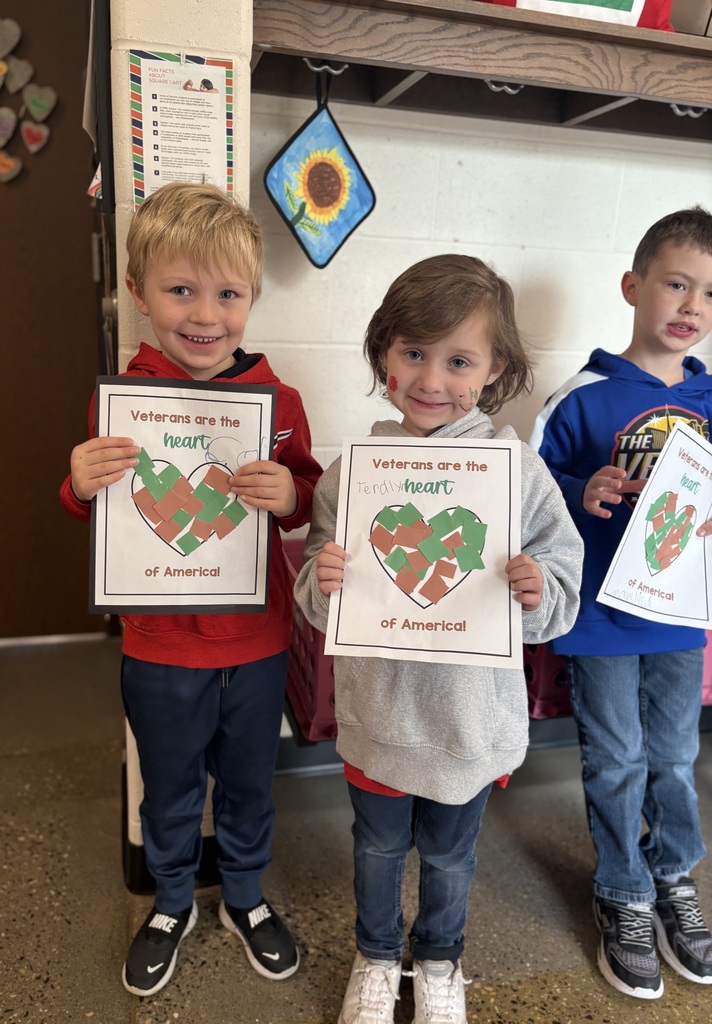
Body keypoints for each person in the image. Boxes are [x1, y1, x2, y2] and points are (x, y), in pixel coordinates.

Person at [293, 254, 583, 1024]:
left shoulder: (517, 471)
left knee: (452, 858)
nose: (431, 378)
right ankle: (378, 956)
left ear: (494, 371)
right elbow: (317, 603)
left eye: (459, 360)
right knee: (378, 851)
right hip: (380, 721)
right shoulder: (352, 474)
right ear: (384, 354)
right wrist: (318, 581)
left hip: (468, 725)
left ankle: (441, 961)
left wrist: (536, 589)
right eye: (412, 352)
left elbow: (561, 585)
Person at [59, 181, 322, 997]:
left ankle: (244, 894)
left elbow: (307, 497)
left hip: (259, 645)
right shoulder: (125, 407)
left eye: (228, 294)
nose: (205, 314)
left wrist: (290, 497)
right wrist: (76, 481)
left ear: (250, 298)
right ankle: (172, 900)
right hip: (162, 645)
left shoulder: (279, 404)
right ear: (137, 294)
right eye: (180, 290)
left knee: (248, 783)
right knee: (169, 786)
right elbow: (97, 512)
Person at [530, 206, 712, 1000]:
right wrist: (581, 489)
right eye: (676, 284)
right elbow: (530, 493)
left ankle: (674, 877)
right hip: (598, 620)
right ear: (634, 285)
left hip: (679, 617)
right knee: (616, 759)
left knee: (674, 757)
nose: (692, 307)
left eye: (710, 294)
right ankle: (624, 891)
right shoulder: (582, 396)